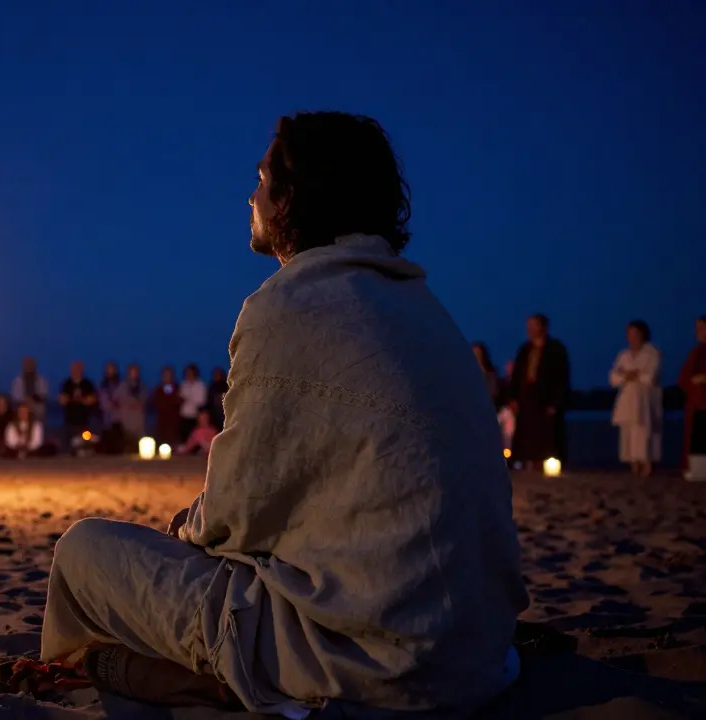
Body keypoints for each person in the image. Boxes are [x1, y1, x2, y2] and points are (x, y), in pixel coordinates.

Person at [38, 112, 527, 716]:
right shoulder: (428, 310)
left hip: (376, 658)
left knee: (83, 551)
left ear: (292, 197)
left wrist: (186, 531)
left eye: (262, 180)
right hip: (476, 651)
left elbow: (236, 514)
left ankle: (99, 672)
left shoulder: (287, 305)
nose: (252, 195)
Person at [508, 314, 571, 470]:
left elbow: (561, 377)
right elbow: (516, 375)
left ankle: (548, 465)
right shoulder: (525, 349)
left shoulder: (555, 349)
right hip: (527, 398)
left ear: (543, 327)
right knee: (527, 434)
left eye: (534, 326)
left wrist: (555, 402)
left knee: (547, 435)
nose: (530, 330)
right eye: (528, 326)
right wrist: (513, 397)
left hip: (545, 398)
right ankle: (527, 463)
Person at [609, 320, 662, 477]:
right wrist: (628, 375)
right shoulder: (623, 355)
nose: (632, 337)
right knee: (628, 432)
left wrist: (631, 374)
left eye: (635, 334)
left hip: (645, 398)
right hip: (627, 397)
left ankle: (647, 464)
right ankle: (633, 464)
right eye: (629, 334)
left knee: (644, 430)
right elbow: (613, 377)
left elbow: (651, 376)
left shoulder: (652, 352)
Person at [677, 316, 706, 478]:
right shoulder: (696, 352)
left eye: (702, 328)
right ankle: (695, 469)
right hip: (697, 403)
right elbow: (683, 379)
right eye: (697, 328)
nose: (698, 332)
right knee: (695, 438)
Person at [58, 361, 97, 453]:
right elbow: (62, 400)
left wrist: (78, 400)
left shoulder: (87, 384)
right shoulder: (66, 384)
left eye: (78, 369)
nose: (76, 371)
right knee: (67, 442)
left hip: (85, 420)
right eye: (74, 369)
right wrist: (76, 400)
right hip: (69, 419)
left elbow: (92, 400)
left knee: (86, 440)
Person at [114, 363, 147, 452]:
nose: (134, 373)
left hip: (138, 418)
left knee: (139, 440)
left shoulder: (142, 386)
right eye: (132, 371)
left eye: (136, 371)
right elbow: (116, 399)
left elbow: (145, 399)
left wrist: (139, 403)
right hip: (126, 418)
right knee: (127, 440)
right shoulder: (122, 385)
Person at [149, 366, 181, 447]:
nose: (167, 377)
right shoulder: (158, 389)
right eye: (165, 375)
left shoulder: (178, 388)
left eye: (169, 375)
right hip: (162, 421)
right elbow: (155, 402)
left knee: (173, 441)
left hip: (174, 421)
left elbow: (179, 400)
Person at [177, 364, 207, 441]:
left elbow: (201, 401)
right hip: (184, 414)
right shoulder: (183, 384)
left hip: (195, 415)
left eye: (190, 372)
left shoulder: (200, 385)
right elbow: (180, 397)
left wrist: (189, 399)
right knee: (184, 436)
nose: (188, 374)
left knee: (195, 436)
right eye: (187, 372)